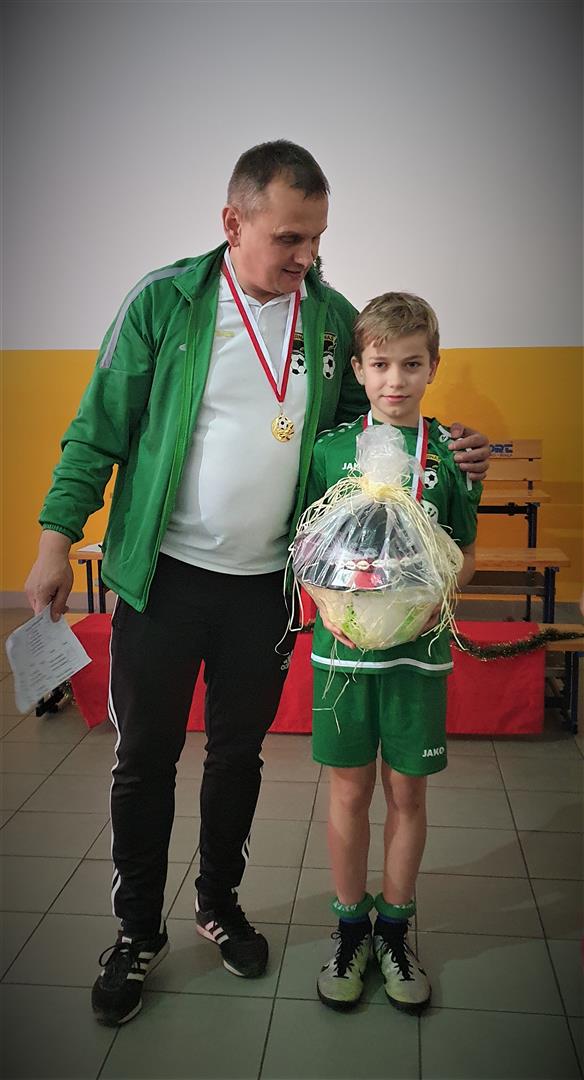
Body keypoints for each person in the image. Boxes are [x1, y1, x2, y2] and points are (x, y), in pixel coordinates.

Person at [24, 141, 490, 1027]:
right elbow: (97, 430)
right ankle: (135, 933)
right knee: (144, 760)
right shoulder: (166, 301)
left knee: (238, 757)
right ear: (233, 223)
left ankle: (219, 906)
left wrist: (454, 449)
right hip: (161, 579)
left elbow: (375, 430)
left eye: (317, 238)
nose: (307, 256)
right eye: (288, 238)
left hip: (263, 590)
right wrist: (56, 541)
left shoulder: (331, 320)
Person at [305, 291, 481, 1013]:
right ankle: (351, 929)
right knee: (349, 791)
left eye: (411, 364)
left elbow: (465, 553)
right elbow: (307, 549)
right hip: (343, 659)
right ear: (358, 368)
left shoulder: (448, 458)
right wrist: (328, 607)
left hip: (419, 655)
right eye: (380, 364)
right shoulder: (330, 452)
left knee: (408, 793)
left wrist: (438, 595)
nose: (395, 380)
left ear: (433, 366)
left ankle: (395, 931)